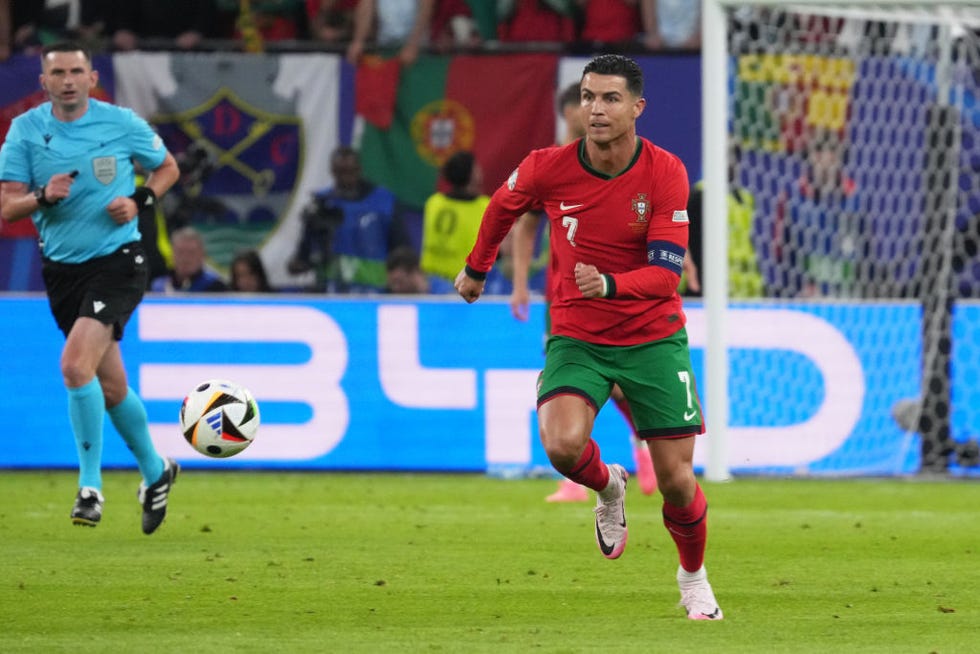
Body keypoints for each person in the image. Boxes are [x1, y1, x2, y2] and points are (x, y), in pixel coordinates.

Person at [455, 54, 722, 620]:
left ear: (637, 108)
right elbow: (504, 205)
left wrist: (608, 282)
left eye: (610, 99)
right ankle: (609, 487)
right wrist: (478, 269)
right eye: (588, 97)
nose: (596, 109)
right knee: (561, 445)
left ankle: (693, 578)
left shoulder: (665, 171)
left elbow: (666, 274)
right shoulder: (547, 166)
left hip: (653, 336)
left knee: (677, 481)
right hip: (578, 335)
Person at [0, 41, 181, 534]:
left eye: (76, 71)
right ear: (44, 83)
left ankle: (89, 486)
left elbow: (167, 167)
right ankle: (156, 469)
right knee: (110, 384)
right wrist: (42, 196)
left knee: (75, 366)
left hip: (119, 260)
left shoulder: (120, 123)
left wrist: (139, 199)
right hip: (62, 270)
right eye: (57, 72)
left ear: (92, 77)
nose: (67, 80)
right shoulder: (26, 131)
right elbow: (6, 206)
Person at [509, 81, 658, 503]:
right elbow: (526, 224)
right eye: (584, 105)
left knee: (616, 382)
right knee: (572, 382)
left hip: (618, 290)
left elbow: (655, 217)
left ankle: (643, 444)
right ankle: (578, 474)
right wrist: (520, 284)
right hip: (565, 298)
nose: (594, 114)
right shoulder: (553, 167)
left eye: (602, 103)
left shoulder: (629, 160)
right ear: (568, 115)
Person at [287, 145, 411, 294]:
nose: (346, 177)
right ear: (332, 172)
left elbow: (402, 250)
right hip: (331, 293)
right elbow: (303, 256)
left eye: (351, 171)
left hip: (376, 293)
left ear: (359, 169)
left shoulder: (385, 202)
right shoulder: (321, 204)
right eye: (341, 172)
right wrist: (302, 263)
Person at [151, 225, 228, 293]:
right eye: (180, 252)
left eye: (191, 253)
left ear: (202, 255)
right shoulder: (158, 286)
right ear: (172, 254)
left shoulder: (216, 287)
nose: (185, 258)